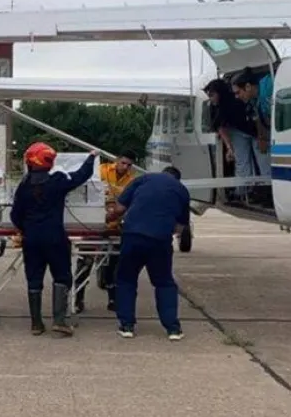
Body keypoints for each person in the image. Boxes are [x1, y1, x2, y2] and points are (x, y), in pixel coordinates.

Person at [10, 143, 98, 337]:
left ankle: (36, 324)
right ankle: (59, 320)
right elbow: (81, 176)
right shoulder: (57, 180)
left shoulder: (24, 185)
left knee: (34, 278)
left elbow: (15, 215)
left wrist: (26, 229)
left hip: (31, 239)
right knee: (62, 276)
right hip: (54, 237)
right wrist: (91, 157)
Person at [105, 166, 189, 341]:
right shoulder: (181, 190)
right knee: (164, 283)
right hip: (160, 240)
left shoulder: (142, 180)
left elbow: (119, 209)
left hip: (133, 236)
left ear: (162, 172)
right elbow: (180, 227)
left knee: (126, 279)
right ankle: (173, 329)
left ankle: (127, 326)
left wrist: (106, 219)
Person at [73, 150, 137, 313]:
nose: (125, 167)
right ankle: (78, 298)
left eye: (129, 165)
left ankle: (113, 298)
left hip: (114, 226)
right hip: (92, 224)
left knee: (113, 263)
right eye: (123, 163)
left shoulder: (132, 180)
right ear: (117, 160)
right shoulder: (100, 170)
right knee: (85, 261)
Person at [203, 78, 258, 201]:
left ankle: (250, 191)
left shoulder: (230, 103)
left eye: (212, 95)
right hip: (241, 131)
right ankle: (245, 191)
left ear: (219, 93)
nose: (211, 99)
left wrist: (229, 147)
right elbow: (220, 127)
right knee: (243, 162)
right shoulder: (219, 106)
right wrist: (229, 147)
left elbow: (219, 126)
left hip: (252, 131)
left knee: (249, 162)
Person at [232, 70, 275, 206]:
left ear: (248, 86)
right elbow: (258, 118)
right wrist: (261, 138)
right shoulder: (254, 100)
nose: (237, 97)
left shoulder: (269, 89)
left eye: (238, 92)